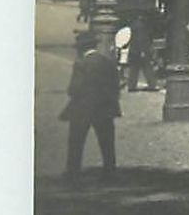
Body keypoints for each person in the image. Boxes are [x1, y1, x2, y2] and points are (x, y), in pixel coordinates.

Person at [61, 30, 121, 177]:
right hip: (104, 107)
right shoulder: (106, 61)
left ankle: (73, 171)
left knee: (76, 141)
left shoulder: (81, 63)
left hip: (83, 108)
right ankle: (110, 169)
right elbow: (115, 84)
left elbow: (75, 88)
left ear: (81, 49)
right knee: (106, 141)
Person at [123, 13, 157, 92]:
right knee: (147, 67)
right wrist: (143, 51)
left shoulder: (133, 26)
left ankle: (132, 85)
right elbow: (141, 39)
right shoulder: (141, 27)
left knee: (134, 69)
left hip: (134, 50)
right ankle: (152, 85)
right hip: (141, 50)